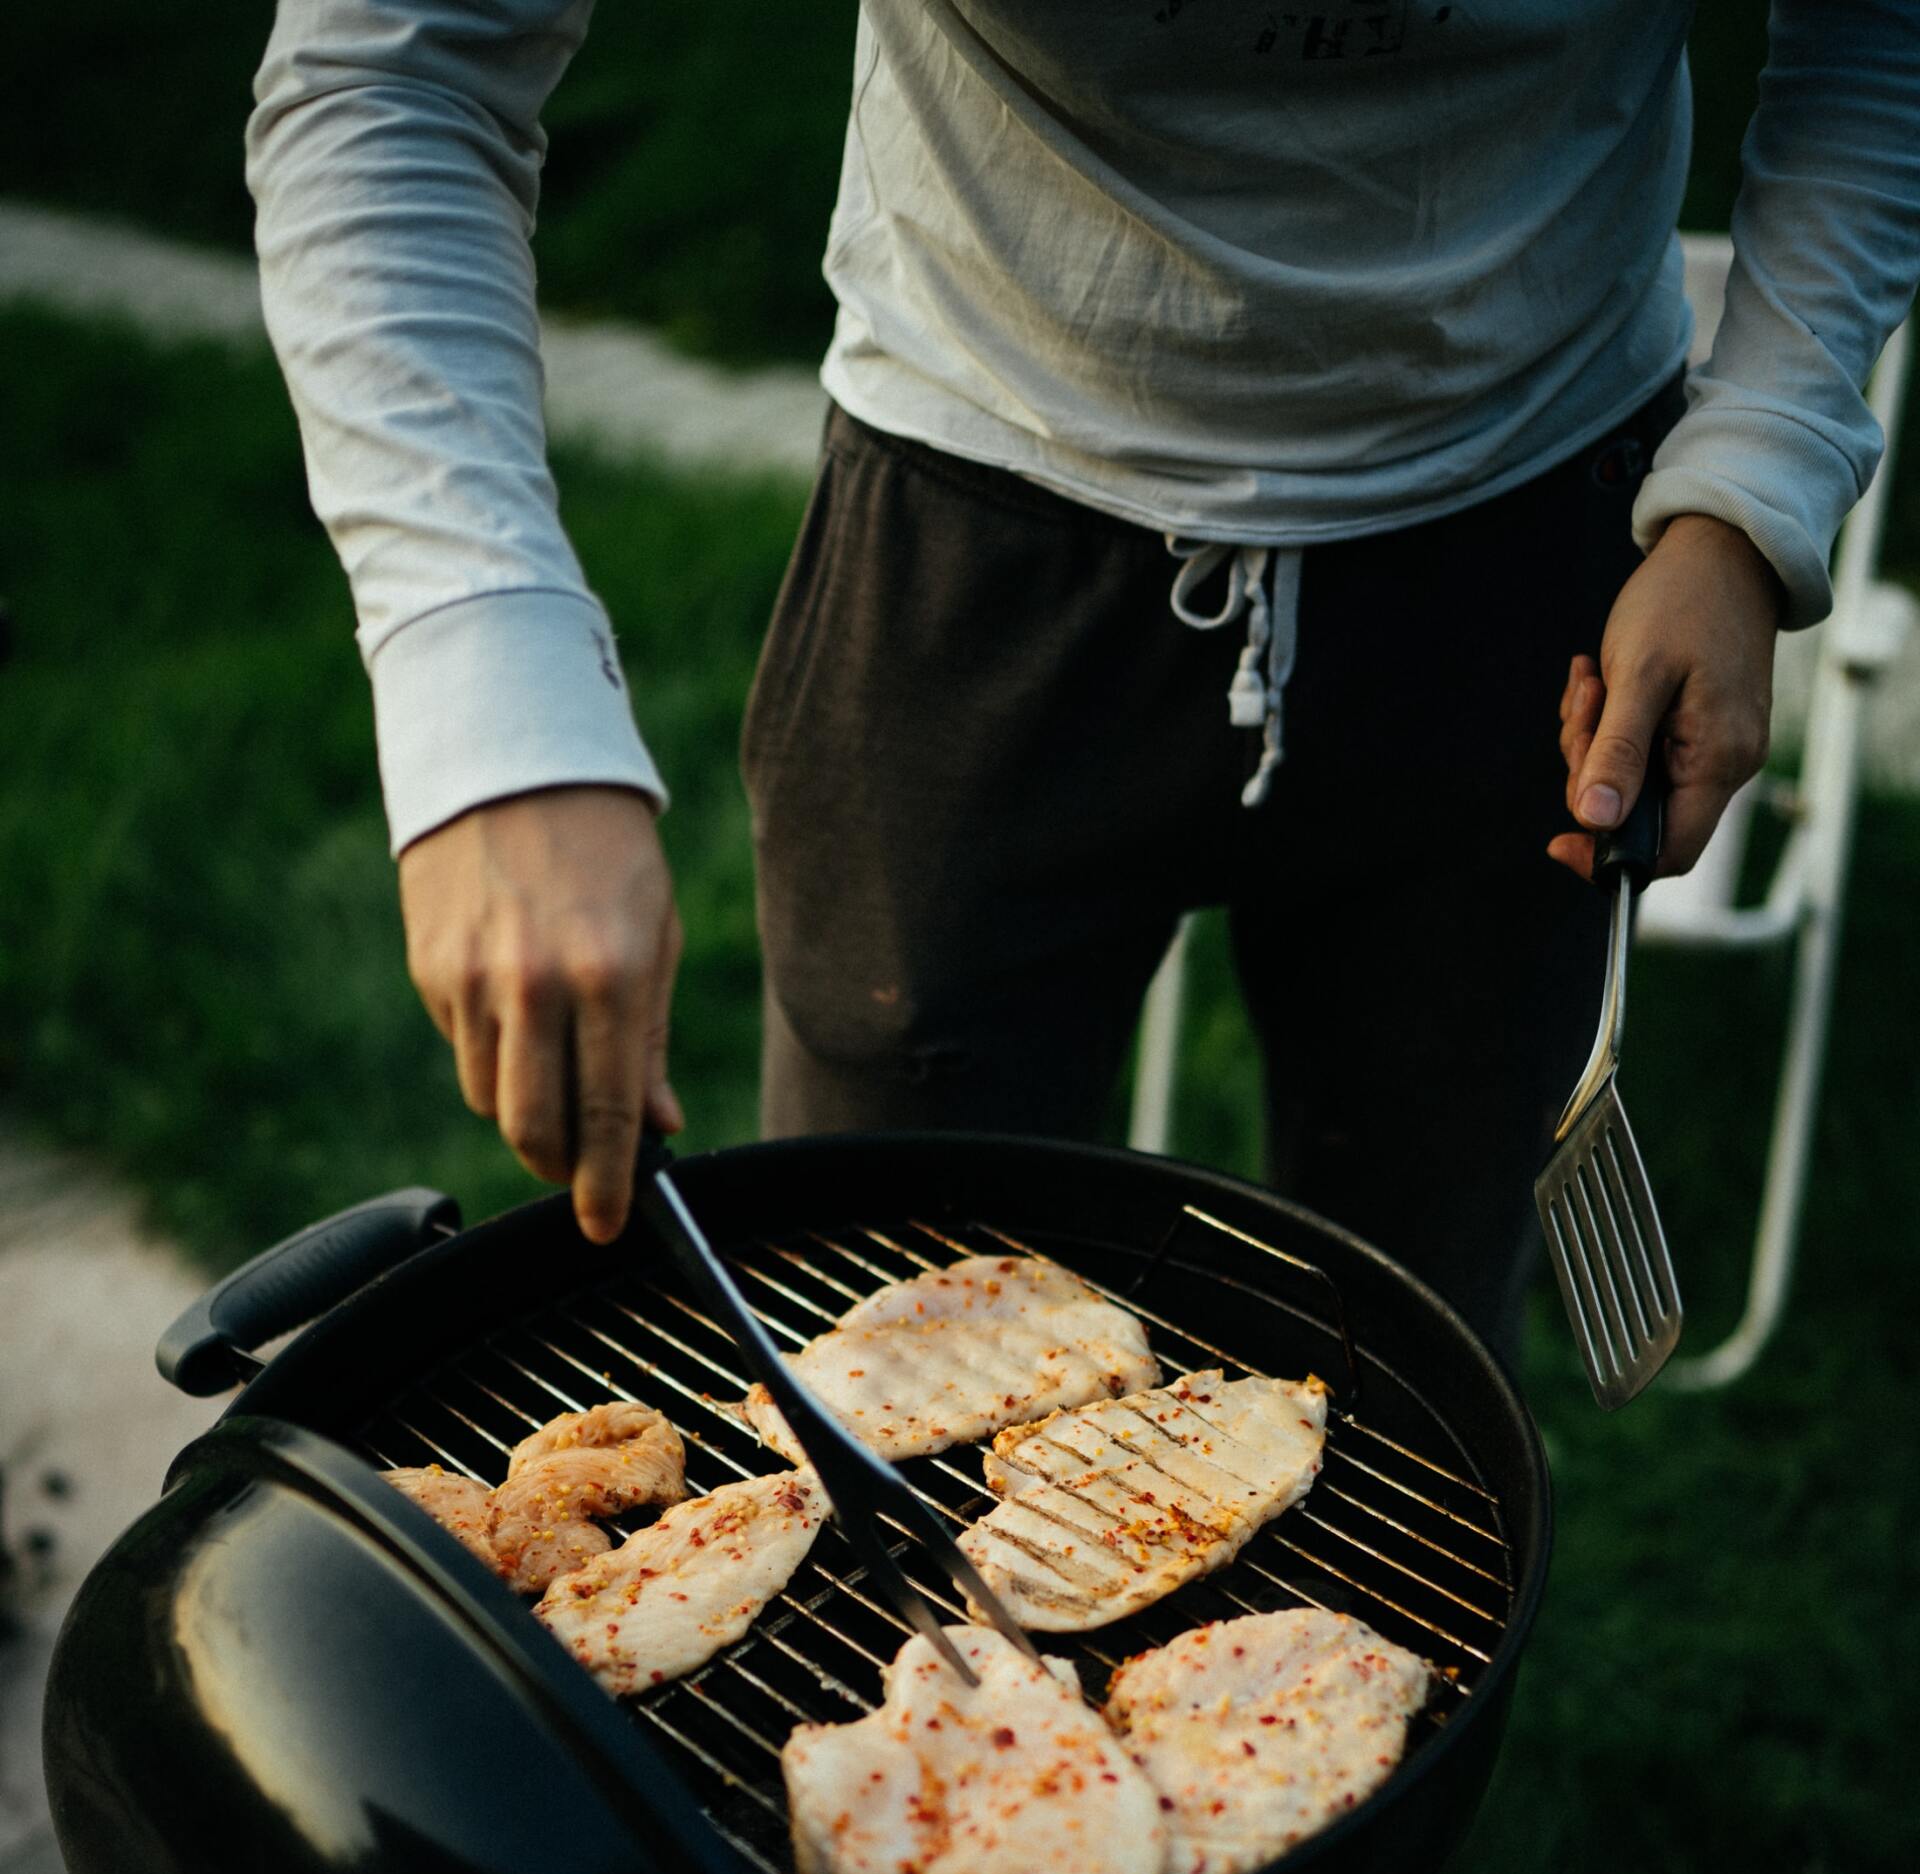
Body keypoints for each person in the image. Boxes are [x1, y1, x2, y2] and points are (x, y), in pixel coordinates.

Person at [247, 2, 1920, 1357]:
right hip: (976, 532)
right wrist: (490, 694)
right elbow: (397, 71)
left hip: (1535, 552)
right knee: (872, 1348)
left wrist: (1746, 494)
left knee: (1414, 1378)